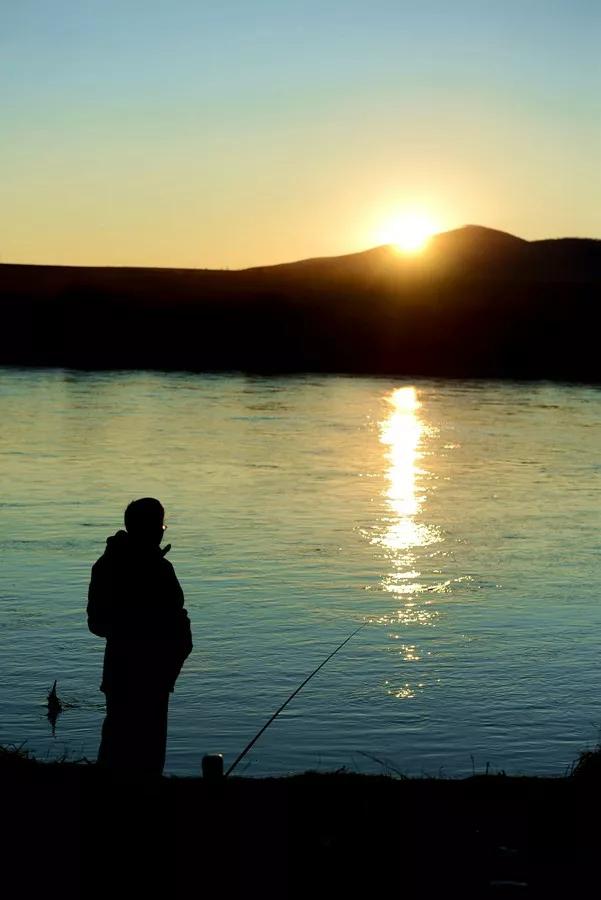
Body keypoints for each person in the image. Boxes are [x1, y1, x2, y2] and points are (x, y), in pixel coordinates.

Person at [87, 498, 192, 775]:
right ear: (153, 529)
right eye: (161, 526)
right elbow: (98, 623)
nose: (161, 532)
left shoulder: (106, 565)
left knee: (118, 746)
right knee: (144, 751)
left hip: (130, 672)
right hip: (146, 673)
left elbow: (96, 624)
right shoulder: (156, 569)